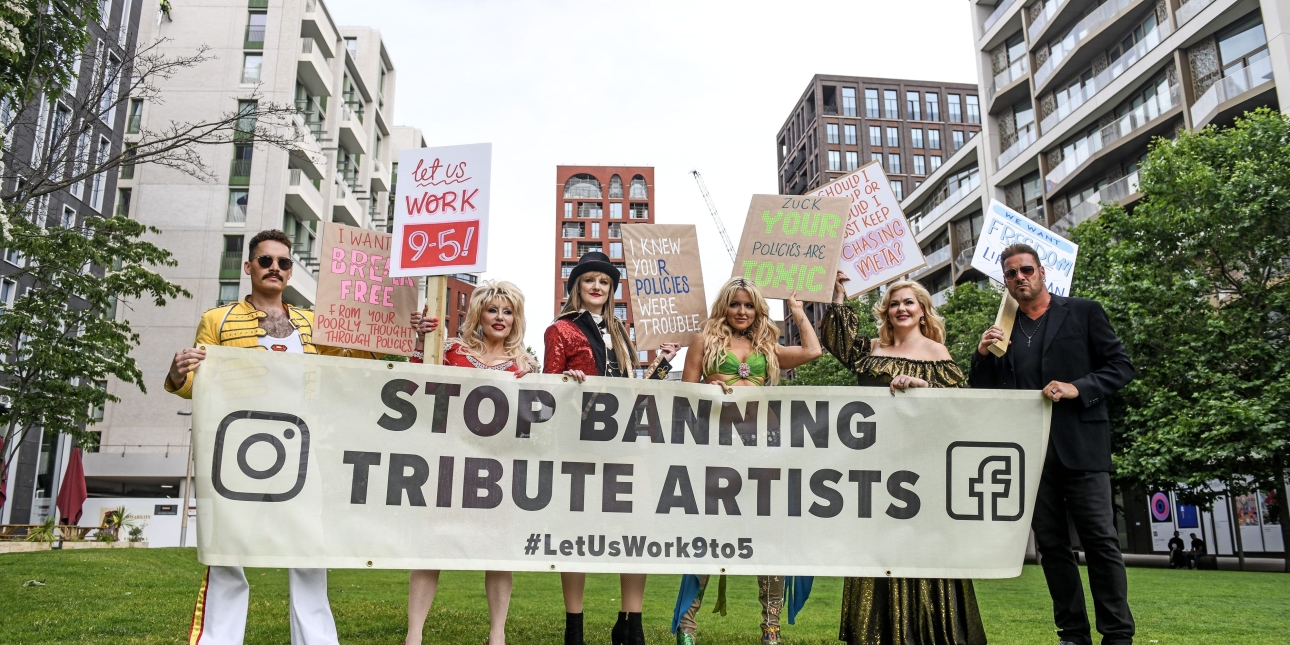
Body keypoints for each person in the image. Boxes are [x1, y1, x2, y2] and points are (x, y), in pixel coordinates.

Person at [166, 229, 365, 645]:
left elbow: (358, 357)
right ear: (249, 267)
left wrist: (406, 330)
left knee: (309, 550)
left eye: (284, 262)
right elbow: (194, 386)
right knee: (227, 550)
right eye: (266, 260)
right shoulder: (216, 320)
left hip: (301, 448)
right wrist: (178, 372)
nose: (275, 267)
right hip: (237, 446)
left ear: (291, 272)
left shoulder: (314, 324)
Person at [971, 243, 1136, 645]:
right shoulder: (1003, 330)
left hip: (1081, 447)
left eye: (1025, 270)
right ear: (1005, 282)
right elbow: (982, 390)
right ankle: (1073, 634)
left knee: (1100, 542)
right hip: (1030, 455)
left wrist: (1077, 388)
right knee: (1053, 548)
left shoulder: (1083, 311)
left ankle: (1117, 634)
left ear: (1042, 272)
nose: (1019, 278)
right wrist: (982, 355)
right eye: (1010, 274)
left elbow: (1120, 367)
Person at [822, 271, 986, 645]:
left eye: (908, 302)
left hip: (921, 465)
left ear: (923, 310)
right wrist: (838, 295)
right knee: (878, 544)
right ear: (886, 311)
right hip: (875, 463)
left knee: (922, 543)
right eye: (894, 303)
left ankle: (932, 631)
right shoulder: (871, 352)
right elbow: (839, 341)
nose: (901, 308)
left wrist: (923, 388)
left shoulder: (937, 354)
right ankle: (874, 632)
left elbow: (960, 407)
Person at [671, 277, 823, 645]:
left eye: (749, 305)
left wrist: (798, 312)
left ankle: (771, 628)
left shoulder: (767, 345)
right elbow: (683, 395)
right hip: (717, 446)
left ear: (758, 309)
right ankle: (687, 626)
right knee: (709, 535)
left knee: (770, 537)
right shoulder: (703, 342)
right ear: (724, 305)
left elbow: (813, 351)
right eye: (735, 304)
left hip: (765, 447)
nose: (742, 311)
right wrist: (709, 390)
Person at [543, 251, 679, 645]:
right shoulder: (561, 330)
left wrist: (665, 362)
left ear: (612, 290)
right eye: (590, 280)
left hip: (622, 442)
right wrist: (566, 383)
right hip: (579, 442)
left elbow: (634, 390)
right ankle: (575, 627)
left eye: (605, 282)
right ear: (576, 286)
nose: (597, 287)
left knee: (636, 527)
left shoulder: (620, 332)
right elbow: (547, 388)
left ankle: (630, 622)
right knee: (576, 531)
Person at [403, 281, 538, 645]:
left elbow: (535, 419)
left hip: (499, 468)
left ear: (516, 318)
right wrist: (420, 342)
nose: (500, 317)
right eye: (493, 309)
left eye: (508, 311)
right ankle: (413, 634)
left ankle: (497, 634)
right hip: (449, 461)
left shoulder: (527, 364)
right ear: (479, 313)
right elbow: (418, 382)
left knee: (498, 549)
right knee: (432, 545)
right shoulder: (451, 350)